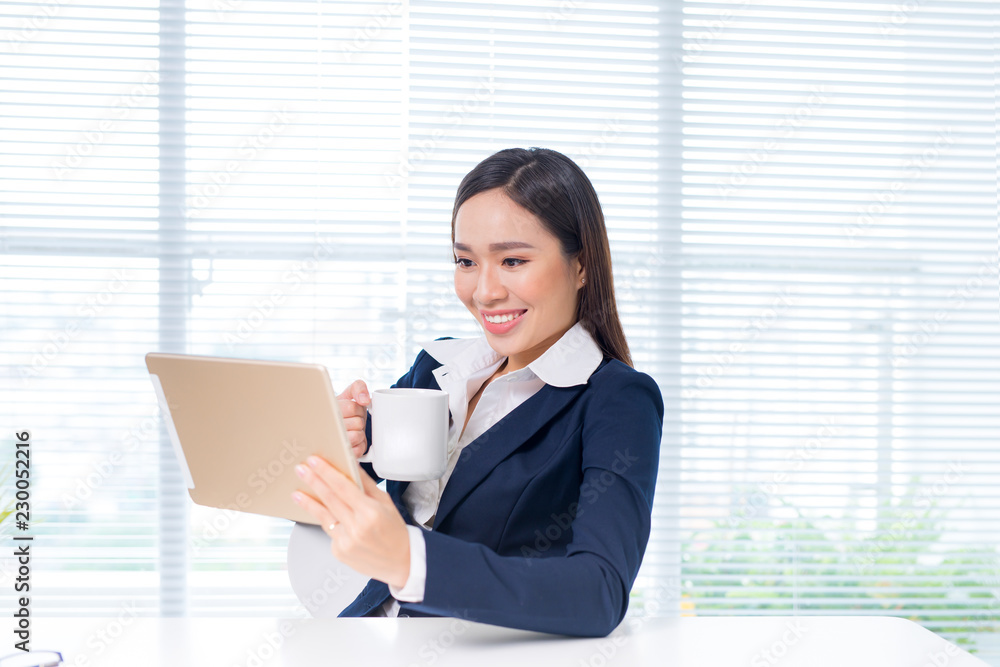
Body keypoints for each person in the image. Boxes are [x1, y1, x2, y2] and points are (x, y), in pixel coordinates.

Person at [291, 147, 664, 637]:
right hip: (370, 639)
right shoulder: (438, 368)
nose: (484, 291)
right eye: (465, 261)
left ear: (581, 266)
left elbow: (599, 591)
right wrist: (344, 447)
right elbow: (349, 497)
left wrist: (410, 560)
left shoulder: (616, 401)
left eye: (512, 260)